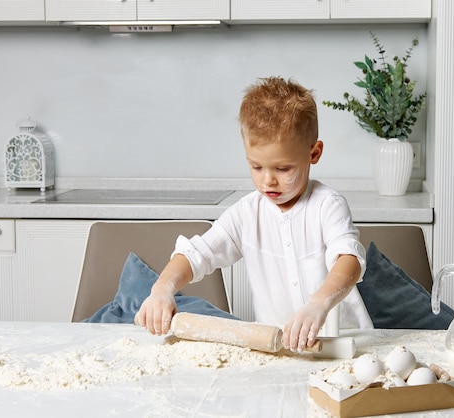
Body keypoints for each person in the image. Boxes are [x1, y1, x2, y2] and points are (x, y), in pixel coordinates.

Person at [136, 76, 373, 352]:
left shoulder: (327, 205)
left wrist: (317, 305)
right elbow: (195, 255)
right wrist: (162, 289)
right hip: (278, 347)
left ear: (314, 153)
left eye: (283, 169)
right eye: (256, 167)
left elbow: (350, 260)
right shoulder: (246, 213)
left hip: (346, 344)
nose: (268, 181)